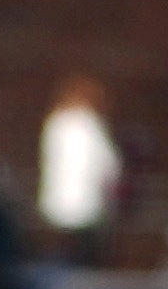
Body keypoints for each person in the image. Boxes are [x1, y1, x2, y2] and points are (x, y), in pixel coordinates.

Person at [36, 75, 121, 247]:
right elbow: (108, 162)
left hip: (55, 201)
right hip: (87, 203)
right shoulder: (88, 123)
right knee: (84, 251)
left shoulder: (56, 121)